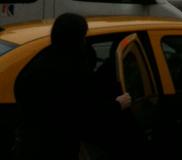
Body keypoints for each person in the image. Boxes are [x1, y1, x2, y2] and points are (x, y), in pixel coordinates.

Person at [13, 13, 131, 159]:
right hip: (57, 148)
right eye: (83, 35)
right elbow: (85, 113)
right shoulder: (74, 70)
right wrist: (118, 105)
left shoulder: (41, 60)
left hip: (30, 145)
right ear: (78, 38)